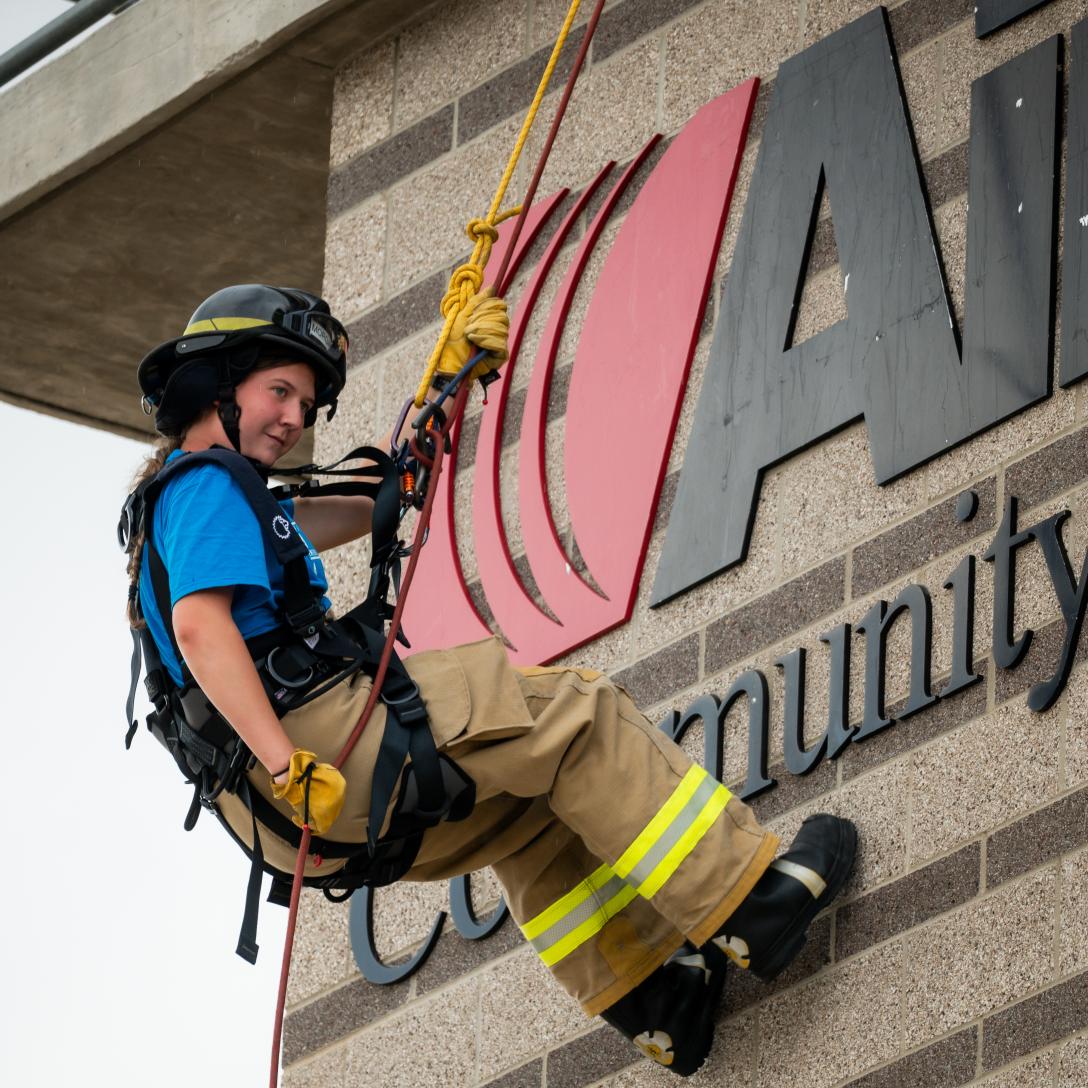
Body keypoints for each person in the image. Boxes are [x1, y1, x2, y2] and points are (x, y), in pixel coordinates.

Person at [122, 283, 857, 1077]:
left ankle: (656, 999)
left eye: (305, 402)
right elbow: (201, 629)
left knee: (531, 805)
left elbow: (368, 504)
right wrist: (283, 763)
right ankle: (751, 903)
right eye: (279, 390)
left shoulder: (228, 502)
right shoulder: (204, 485)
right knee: (576, 714)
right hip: (312, 752)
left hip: (298, 817)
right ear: (216, 386)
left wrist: (447, 385)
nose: (295, 418)